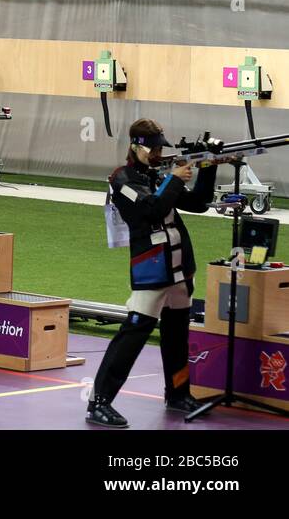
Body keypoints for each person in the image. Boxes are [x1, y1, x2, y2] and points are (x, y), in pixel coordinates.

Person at [85, 119, 218, 428]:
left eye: (161, 148)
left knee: (177, 337)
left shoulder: (156, 174)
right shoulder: (122, 179)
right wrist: (173, 179)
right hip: (152, 269)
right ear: (136, 146)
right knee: (132, 337)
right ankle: (99, 402)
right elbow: (151, 210)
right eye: (154, 148)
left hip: (179, 268)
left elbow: (199, 204)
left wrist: (208, 167)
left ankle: (178, 392)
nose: (159, 153)